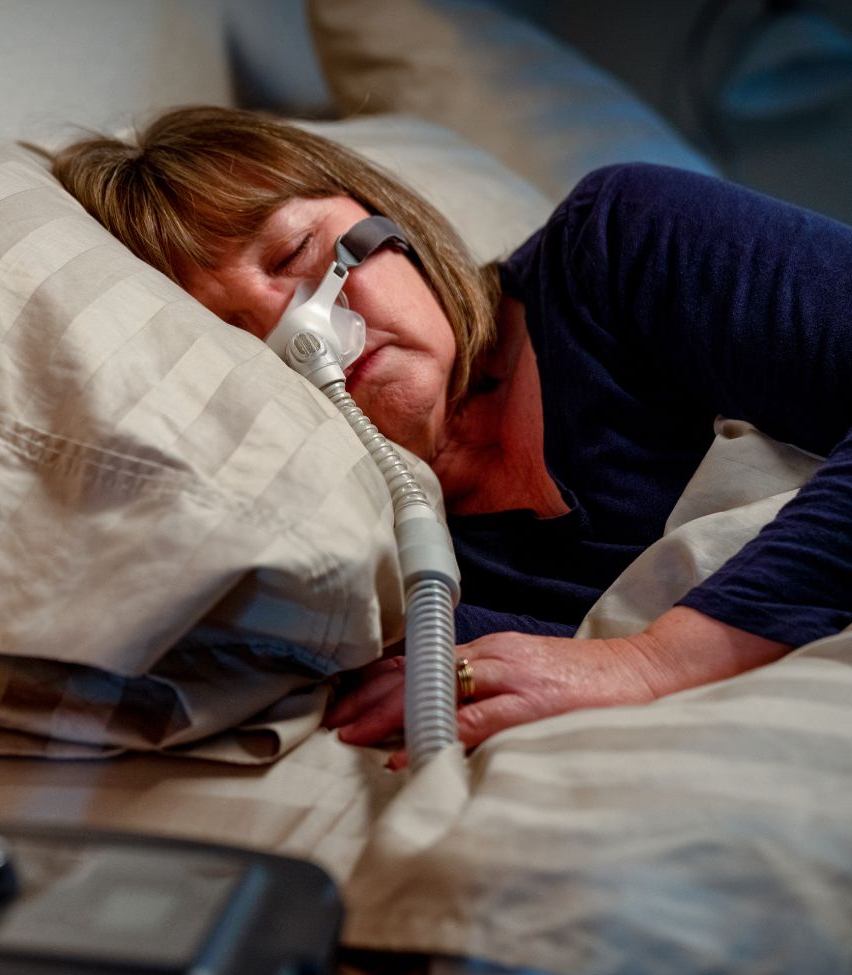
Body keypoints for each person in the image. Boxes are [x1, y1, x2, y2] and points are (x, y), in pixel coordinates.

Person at [48, 106, 852, 764]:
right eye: (233, 335)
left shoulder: (622, 247)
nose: (308, 334)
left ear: (381, 217)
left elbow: (618, 662)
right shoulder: (358, 560)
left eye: (298, 251)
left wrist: (653, 663)